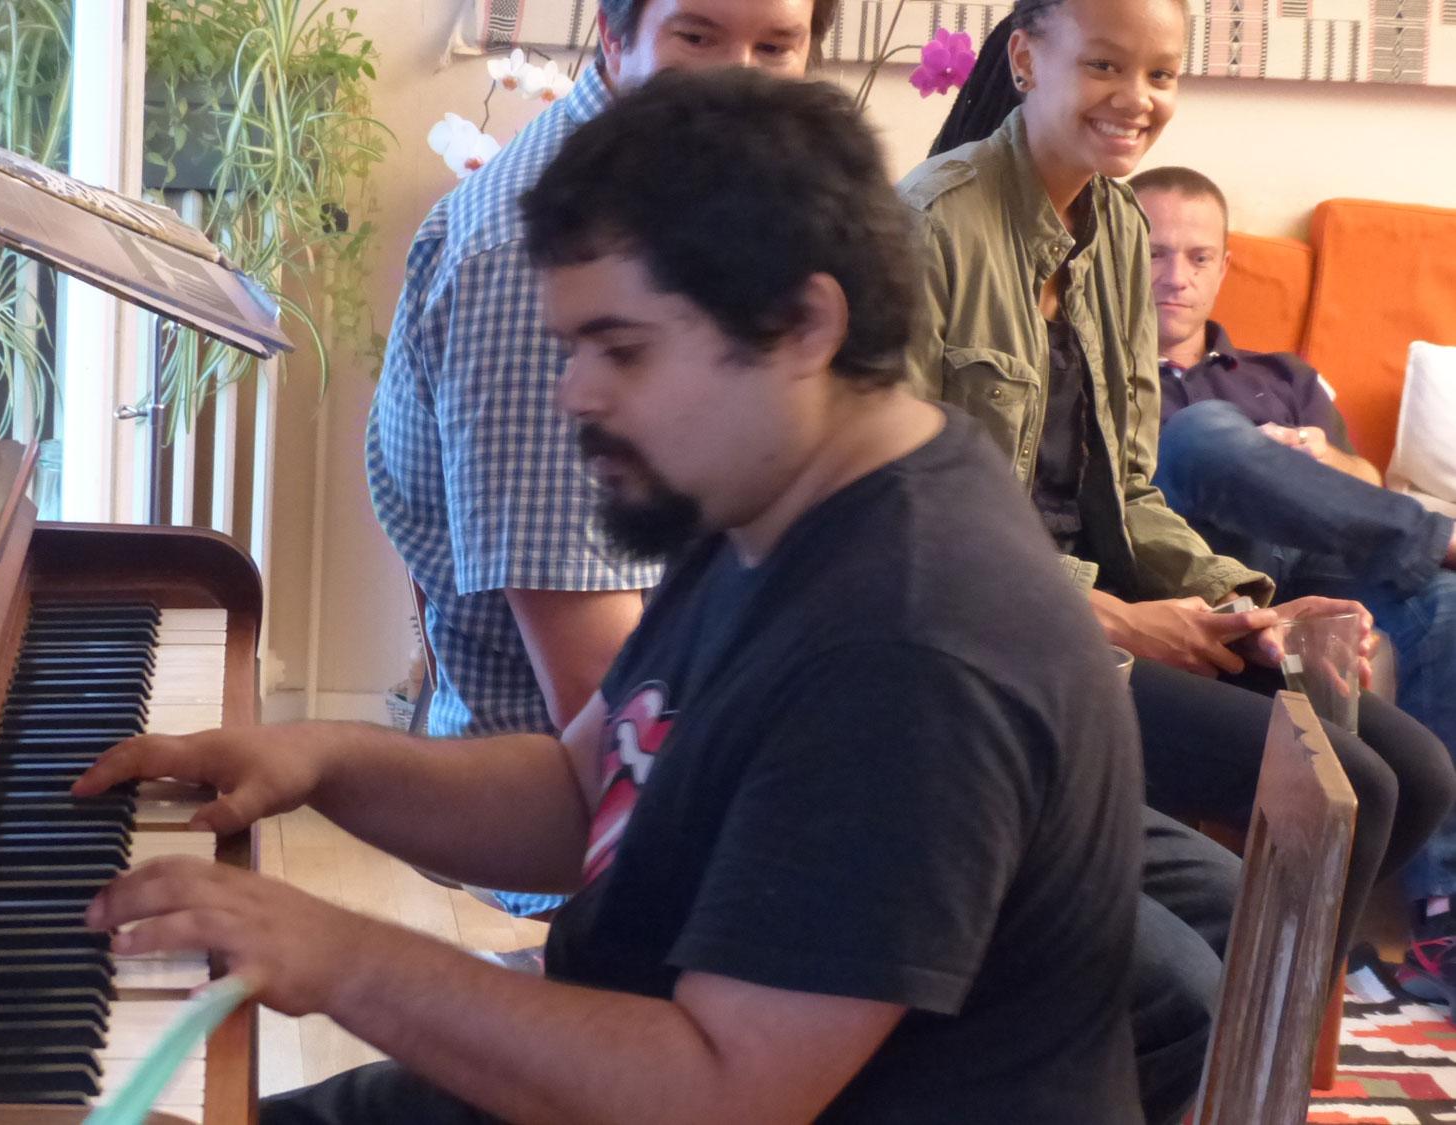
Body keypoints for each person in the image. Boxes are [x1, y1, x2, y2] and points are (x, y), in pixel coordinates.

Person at [78, 70, 1146, 1123]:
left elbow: (720, 1095)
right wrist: (318, 762)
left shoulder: (909, 650)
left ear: (803, 327)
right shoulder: (774, 499)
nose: (576, 393)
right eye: (572, 347)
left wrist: (340, 955)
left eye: (621, 349)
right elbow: (589, 787)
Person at [903, 0, 1455, 1118]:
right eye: (1106, 65)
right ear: (1025, 58)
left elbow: (1131, 488)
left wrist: (1235, 597)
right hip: (996, 630)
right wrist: (1112, 615)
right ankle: (1224, 1061)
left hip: (1106, 602)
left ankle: (1257, 1058)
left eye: (1160, 74)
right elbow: (910, 515)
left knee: (1417, 772)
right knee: (1349, 783)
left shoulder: (1114, 229)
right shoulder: (929, 225)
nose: (1139, 99)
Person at [366, 0, 833, 917]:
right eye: (697, 36)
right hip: (602, 836)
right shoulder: (534, 255)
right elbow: (609, 705)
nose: (739, 84)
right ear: (615, 37)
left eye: (776, 47)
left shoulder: (700, 204)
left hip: (700, 744)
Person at [1130, 164, 1456, 1008]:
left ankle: (1442, 920)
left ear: (1225, 267)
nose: (1176, 276)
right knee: (1202, 435)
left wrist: (1321, 456)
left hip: (1321, 550)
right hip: (1213, 554)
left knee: (1447, 607)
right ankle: (1444, 535)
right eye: (1155, 252)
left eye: (1198, 257)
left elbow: (1361, 489)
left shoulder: (1283, 374)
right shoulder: (1103, 376)